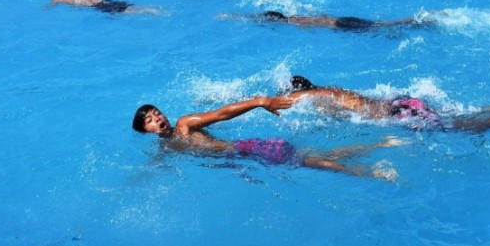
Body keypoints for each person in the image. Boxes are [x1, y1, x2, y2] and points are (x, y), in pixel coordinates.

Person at [131, 99, 403, 179]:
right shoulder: (166, 147)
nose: (158, 118)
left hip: (252, 150)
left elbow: (222, 114)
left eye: (157, 113)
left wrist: (260, 101)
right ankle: (380, 144)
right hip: (244, 157)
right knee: (316, 157)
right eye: (151, 119)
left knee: (312, 163)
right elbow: (158, 164)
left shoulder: (184, 125)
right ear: (146, 131)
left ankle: (370, 173)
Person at [269, 76, 490, 133]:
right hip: (401, 103)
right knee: (460, 118)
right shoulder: (330, 90)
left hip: (400, 114)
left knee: (473, 128)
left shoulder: (305, 99)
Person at [254, 11, 420, 31]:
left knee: (380, 27)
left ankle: (413, 21)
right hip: (340, 19)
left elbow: (309, 27)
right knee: (380, 25)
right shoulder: (296, 15)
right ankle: (411, 21)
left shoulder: (295, 22)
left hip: (340, 25)